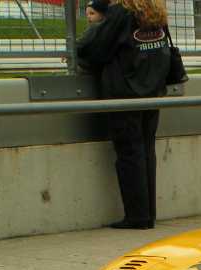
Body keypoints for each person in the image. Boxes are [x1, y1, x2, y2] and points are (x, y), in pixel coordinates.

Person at [77, 0, 171, 229]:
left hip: (125, 92)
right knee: (146, 150)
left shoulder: (121, 13)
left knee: (129, 152)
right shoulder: (155, 11)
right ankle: (148, 214)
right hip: (152, 89)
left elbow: (97, 50)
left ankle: (137, 216)